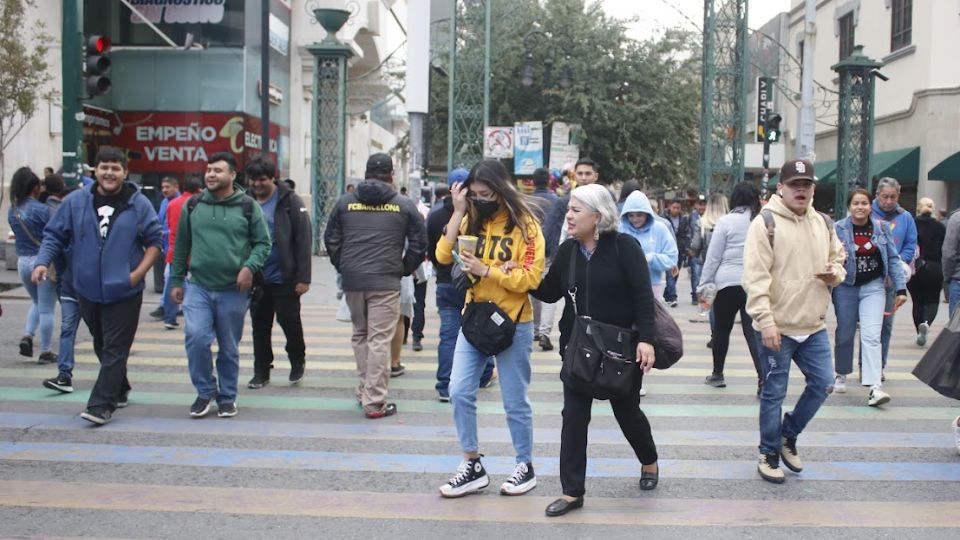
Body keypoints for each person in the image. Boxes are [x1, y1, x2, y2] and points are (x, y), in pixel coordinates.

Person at [532, 184, 658, 517]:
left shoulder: (624, 248)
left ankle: (649, 461)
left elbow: (644, 298)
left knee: (627, 414)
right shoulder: (567, 252)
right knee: (573, 418)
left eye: (575, 210)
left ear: (597, 217)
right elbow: (548, 292)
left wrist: (646, 339)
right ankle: (572, 492)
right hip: (577, 351)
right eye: (569, 209)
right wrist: (519, 274)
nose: (568, 216)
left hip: (618, 353)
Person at [435, 159, 545, 498]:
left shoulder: (526, 226)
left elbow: (531, 278)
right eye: (475, 194)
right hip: (476, 319)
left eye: (487, 194)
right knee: (458, 390)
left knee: (514, 400)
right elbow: (442, 256)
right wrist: (456, 213)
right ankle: (472, 463)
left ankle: (524, 465)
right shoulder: (471, 220)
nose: (481, 199)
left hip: (513, 322)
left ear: (501, 190)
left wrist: (488, 271)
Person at [32, 149, 163, 425]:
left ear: (124, 172)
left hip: (125, 290)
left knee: (115, 347)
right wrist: (42, 262)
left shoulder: (138, 203)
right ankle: (121, 386)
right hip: (86, 289)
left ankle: (101, 404)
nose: (109, 173)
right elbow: (54, 234)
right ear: (95, 171)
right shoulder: (76, 201)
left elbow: (155, 241)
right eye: (104, 167)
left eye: (115, 168)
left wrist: (137, 275)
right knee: (102, 343)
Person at [743, 159, 846, 484]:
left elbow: (839, 258)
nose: (801, 190)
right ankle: (768, 452)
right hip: (777, 326)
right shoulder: (766, 223)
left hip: (812, 325)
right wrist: (766, 321)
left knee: (824, 383)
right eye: (794, 184)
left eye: (807, 184)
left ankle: (788, 434)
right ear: (781, 188)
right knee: (774, 392)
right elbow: (755, 277)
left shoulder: (824, 223)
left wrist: (835, 274)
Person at [324, 152, 427, 419]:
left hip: (353, 280)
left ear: (366, 173)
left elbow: (331, 238)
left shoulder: (346, 203)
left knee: (360, 335)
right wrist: (405, 267)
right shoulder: (403, 205)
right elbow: (420, 241)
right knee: (379, 339)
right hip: (386, 280)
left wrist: (343, 265)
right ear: (391, 175)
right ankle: (375, 401)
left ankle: (364, 391)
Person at [170, 152, 272, 419]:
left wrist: (249, 267)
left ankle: (227, 396)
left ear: (232, 175)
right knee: (195, 337)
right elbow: (181, 245)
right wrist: (176, 279)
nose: (211, 175)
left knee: (229, 346)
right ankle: (205, 392)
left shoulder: (248, 206)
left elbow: (264, 243)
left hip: (233, 291)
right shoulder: (193, 206)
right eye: (208, 170)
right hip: (198, 286)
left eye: (218, 170)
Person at [832, 188, 907, 406]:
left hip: (874, 287)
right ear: (849, 206)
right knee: (845, 332)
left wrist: (901, 289)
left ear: (870, 206)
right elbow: (828, 256)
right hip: (846, 286)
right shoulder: (838, 229)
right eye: (855, 203)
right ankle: (841, 372)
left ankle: (875, 386)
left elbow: (893, 258)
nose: (860, 207)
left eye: (864, 203)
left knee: (872, 335)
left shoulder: (882, 229)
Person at [426, 173, 496, 402]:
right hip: (475, 284)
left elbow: (432, 251)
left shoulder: (436, 215)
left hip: (446, 283)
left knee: (449, 334)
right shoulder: (484, 216)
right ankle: (484, 374)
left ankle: (445, 384)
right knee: (480, 329)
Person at [245, 157, 312, 389]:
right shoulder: (245, 201)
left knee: (289, 322)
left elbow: (303, 239)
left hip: (285, 276)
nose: (257, 184)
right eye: (253, 180)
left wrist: (303, 278)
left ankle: (297, 360)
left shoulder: (289, 201)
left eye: (262, 179)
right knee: (259, 326)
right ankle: (261, 371)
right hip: (257, 278)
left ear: (273, 177)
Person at [698, 182, 761, 392]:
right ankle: (763, 379)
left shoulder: (725, 221)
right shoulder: (761, 221)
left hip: (726, 283)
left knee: (721, 330)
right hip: (752, 283)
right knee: (752, 332)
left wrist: (704, 282)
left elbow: (713, 256)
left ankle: (717, 374)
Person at [8, 167, 57, 364]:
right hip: (41, 262)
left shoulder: (12, 210)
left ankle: (28, 335)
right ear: (35, 187)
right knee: (46, 308)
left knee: (36, 302)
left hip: (22, 261)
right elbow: (53, 235)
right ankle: (45, 351)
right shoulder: (42, 209)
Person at [39, 175, 83, 394]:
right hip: (69, 288)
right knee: (67, 329)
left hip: (95, 291)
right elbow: (52, 245)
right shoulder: (62, 232)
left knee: (103, 337)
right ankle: (64, 375)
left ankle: (116, 380)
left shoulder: (95, 230)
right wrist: (42, 264)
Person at [871, 177, 917, 371]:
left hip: (891, 278)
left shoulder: (905, 217)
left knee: (885, 325)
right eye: (884, 197)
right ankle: (862, 365)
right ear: (877, 196)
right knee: (867, 327)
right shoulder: (867, 211)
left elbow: (910, 244)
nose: (888, 201)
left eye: (893, 197)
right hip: (869, 276)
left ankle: (879, 366)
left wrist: (899, 262)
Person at [159, 177, 202, 329]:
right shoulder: (198, 203)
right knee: (198, 287)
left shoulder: (171, 204)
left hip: (174, 250)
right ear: (198, 190)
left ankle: (169, 317)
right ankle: (195, 318)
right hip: (195, 252)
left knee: (173, 283)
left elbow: (169, 225)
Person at [528, 167, 560, 351]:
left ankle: (535, 328)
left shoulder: (527, 202)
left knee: (534, 287)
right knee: (550, 290)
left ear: (532, 182)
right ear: (549, 181)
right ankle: (544, 332)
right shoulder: (555, 201)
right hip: (549, 251)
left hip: (531, 250)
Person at [909, 197, 946, 345]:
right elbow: (944, 248)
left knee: (917, 301)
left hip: (916, 266)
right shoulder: (939, 227)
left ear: (918, 208)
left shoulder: (912, 224)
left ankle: (919, 329)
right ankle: (926, 323)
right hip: (934, 266)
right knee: (932, 300)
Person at [149, 177, 181, 318]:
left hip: (177, 248)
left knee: (169, 277)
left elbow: (179, 228)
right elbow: (159, 220)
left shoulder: (181, 203)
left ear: (176, 187)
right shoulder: (163, 202)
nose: (164, 190)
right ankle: (173, 306)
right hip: (165, 246)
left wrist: (164, 233)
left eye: (168, 187)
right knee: (172, 278)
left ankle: (165, 307)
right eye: (163, 187)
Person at [662, 199, 690, 307]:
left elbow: (687, 234)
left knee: (675, 273)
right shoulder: (664, 218)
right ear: (669, 207)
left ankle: (667, 293)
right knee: (670, 272)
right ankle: (673, 297)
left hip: (680, 249)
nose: (676, 210)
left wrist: (686, 247)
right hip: (667, 249)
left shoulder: (683, 219)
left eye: (678, 208)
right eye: (674, 208)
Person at [688, 195, 708, 305]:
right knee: (695, 274)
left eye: (704, 204)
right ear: (696, 205)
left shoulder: (709, 217)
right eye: (700, 204)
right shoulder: (692, 217)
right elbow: (688, 232)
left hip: (705, 251)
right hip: (695, 250)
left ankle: (702, 295)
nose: (702, 207)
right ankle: (695, 295)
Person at [943, 209, 960, 319]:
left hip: (958, 279)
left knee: (956, 326)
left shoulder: (956, 219)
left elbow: (948, 253)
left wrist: (947, 276)